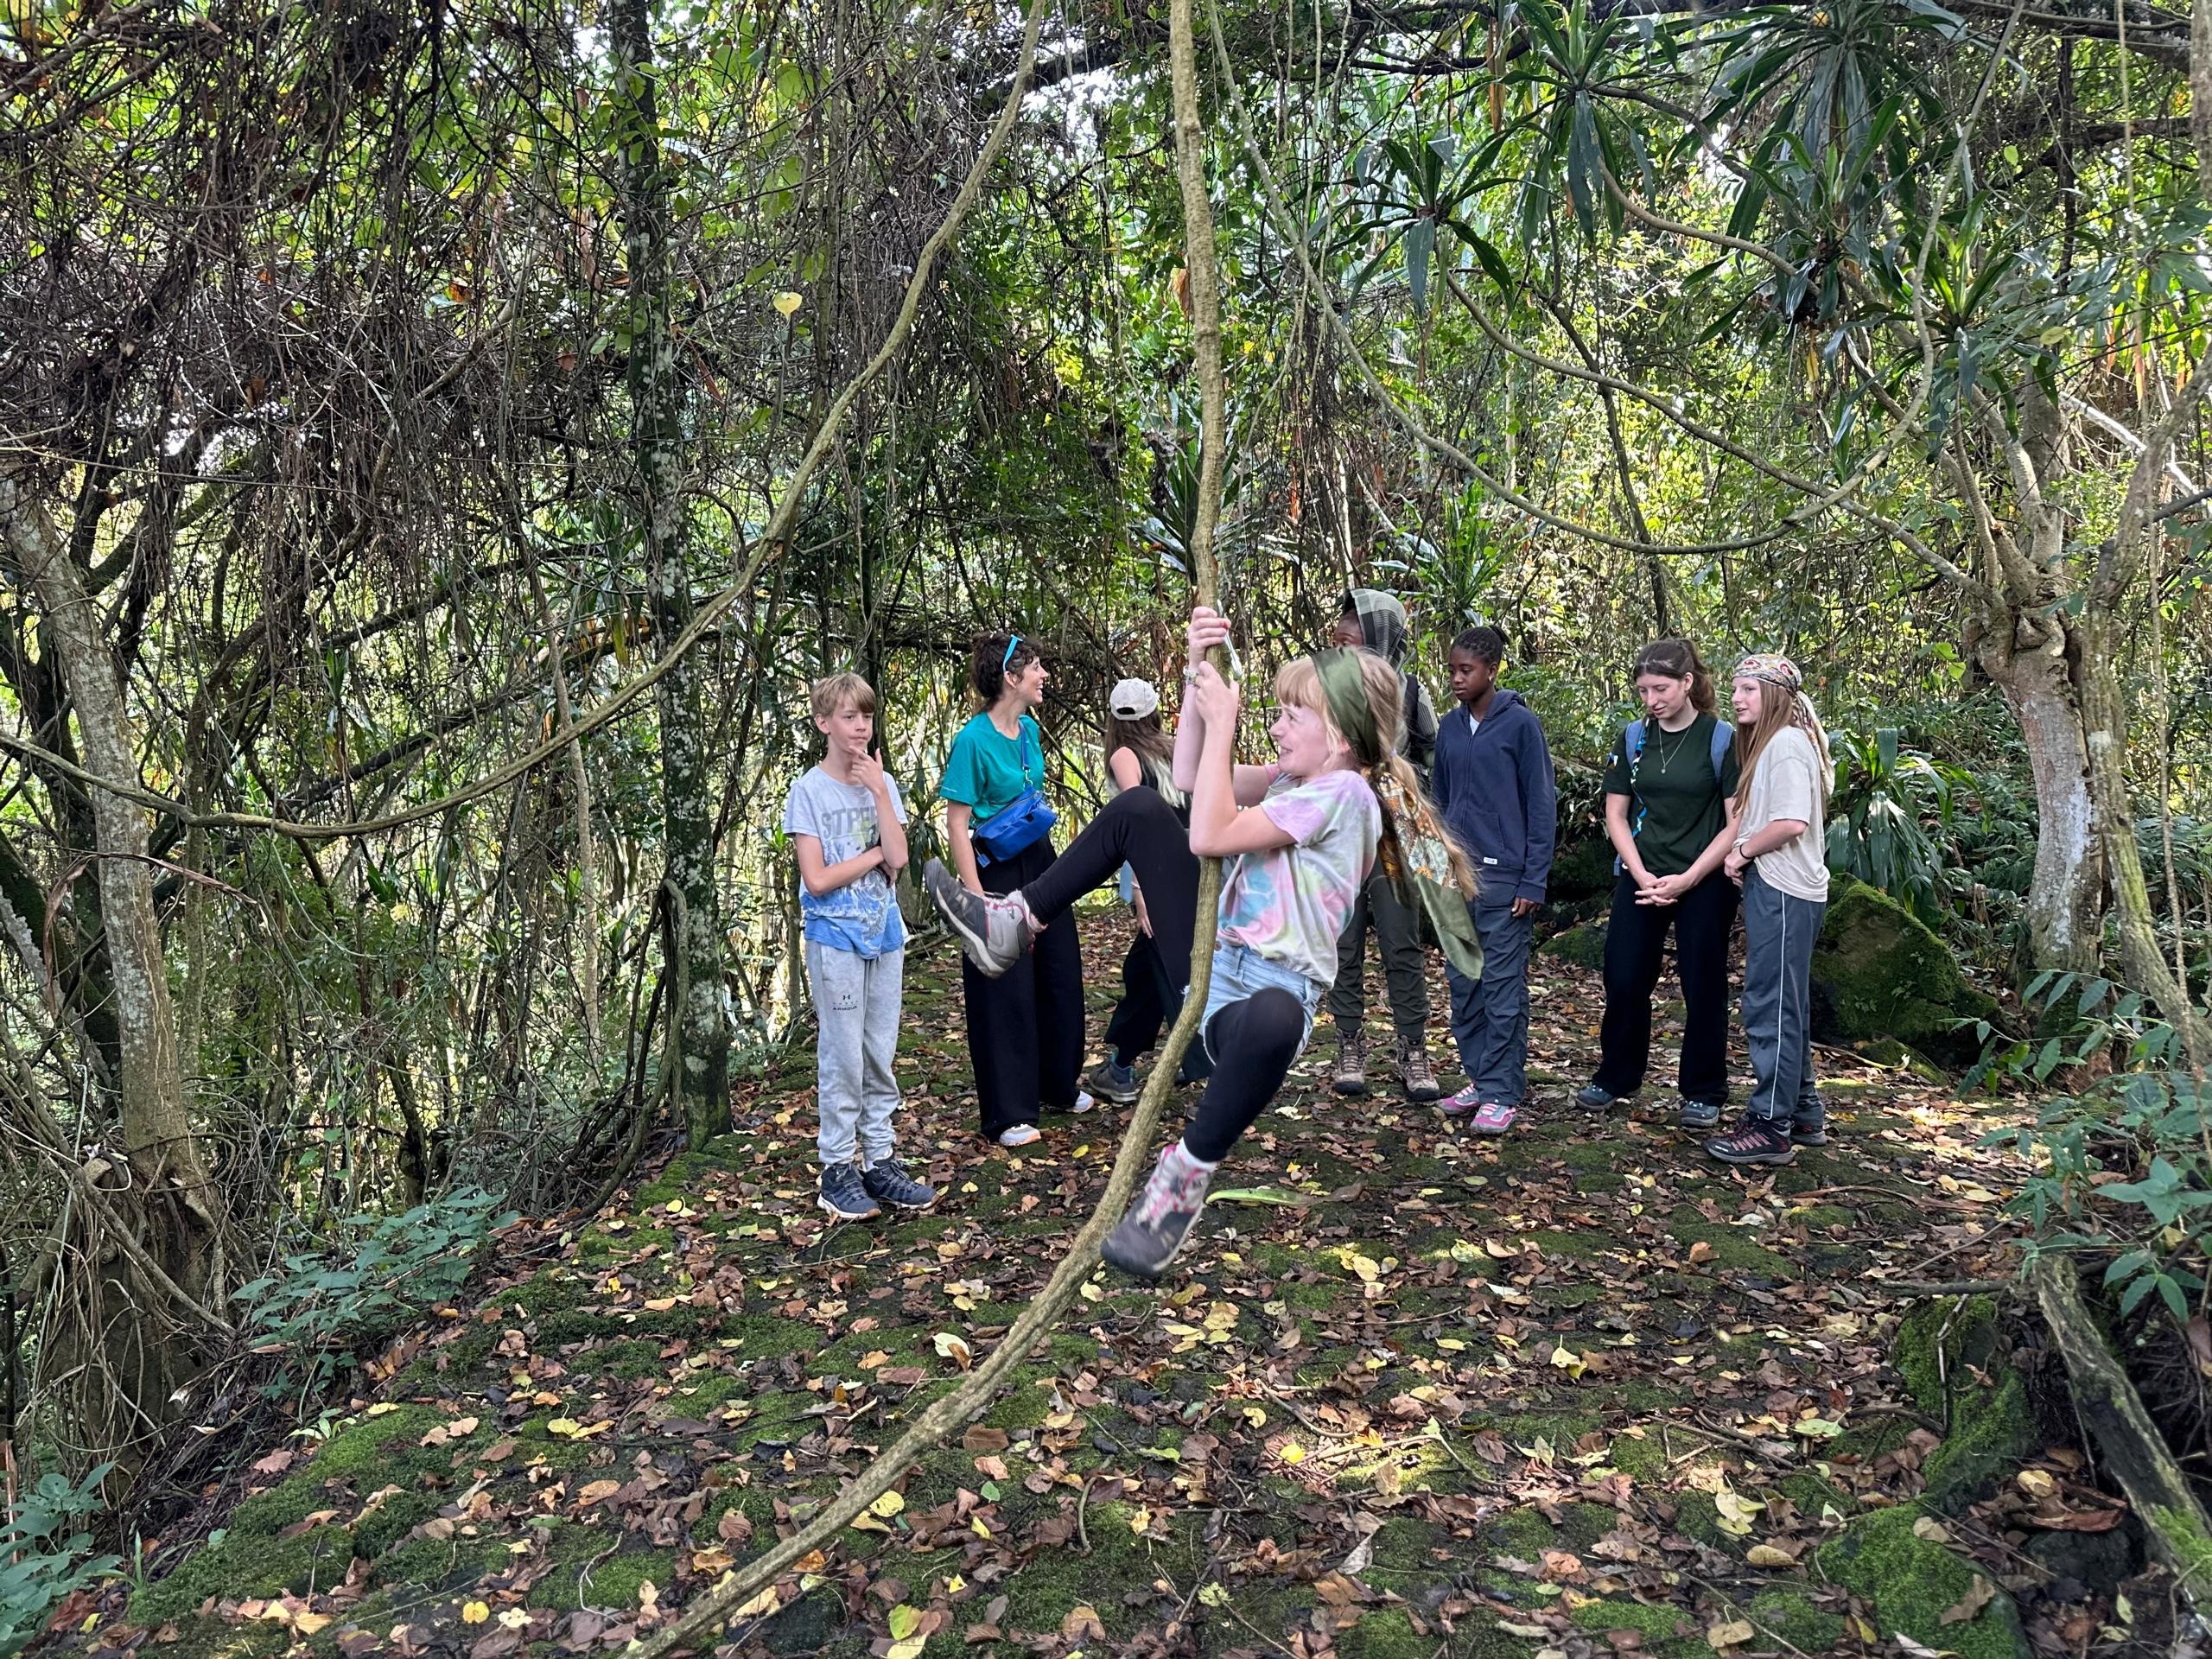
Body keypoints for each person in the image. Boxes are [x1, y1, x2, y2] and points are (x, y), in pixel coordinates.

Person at [923, 605, 1477, 1280]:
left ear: (1336, 734)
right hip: (1211, 965)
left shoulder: (1344, 796)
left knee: (1275, 1015)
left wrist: (1222, 726)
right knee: (1138, 810)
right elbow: (1186, 782)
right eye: (1272, 714)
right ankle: (1016, 921)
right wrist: (1194, 671)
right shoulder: (1295, 779)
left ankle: (1183, 1177)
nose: (1274, 727)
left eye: (1288, 717)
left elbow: (1210, 832)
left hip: (1266, 1000)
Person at [782, 672, 938, 1220]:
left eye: (866, 716)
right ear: (824, 724)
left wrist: (877, 792)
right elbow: (817, 879)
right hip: (835, 939)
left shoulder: (883, 783)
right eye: (849, 717)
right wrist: (872, 857)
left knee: (879, 1052)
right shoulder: (808, 792)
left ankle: (879, 1159)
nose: (860, 726)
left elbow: (899, 858)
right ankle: (837, 1170)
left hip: (885, 933)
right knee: (843, 1056)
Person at [1576, 639, 1743, 1128]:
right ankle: (1617, 1076)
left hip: (1705, 877)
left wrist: (1688, 878)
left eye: (1662, 688)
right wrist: (1641, 872)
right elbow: (1615, 812)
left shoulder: (1721, 739)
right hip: (1642, 874)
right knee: (1625, 976)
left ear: (1688, 683)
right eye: (1645, 690)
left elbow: (1737, 821)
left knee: (1703, 981)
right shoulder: (1633, 738)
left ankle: (1704, 1089)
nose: (1652, 699)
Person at [939, 633, 1090, 1147]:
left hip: (1040, 858)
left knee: (1059, 968)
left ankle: (1058, 1084)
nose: (1044, 673)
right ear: (1011, 677)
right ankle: (1008, 1112)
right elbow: (957, 824)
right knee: (1004, 984)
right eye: (1036, 666)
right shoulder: (972, 741)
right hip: (995, 869)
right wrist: (977, 897)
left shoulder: (1028, 729)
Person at [1707, 654, 1834, 1166]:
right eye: (1736, 689)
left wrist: (1740, 852)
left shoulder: (1783, 745)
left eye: (1748, 690)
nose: (1737, 698)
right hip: (1786, 888)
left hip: (1785, 890)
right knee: (1788, 1003)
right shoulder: (1783, 742)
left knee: (1770, 1004)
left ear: (1775, 695)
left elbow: (1790, 823)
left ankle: (1770, 1125)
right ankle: (1803, 1110)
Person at [1431, 626, 1557, 1135]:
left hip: (1506, 881)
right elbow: (1437, 804)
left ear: (1492, 670)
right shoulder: (1448, 727)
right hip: (1457, 879)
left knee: (1503, 989)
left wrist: (1533, 880)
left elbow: (1541, 805)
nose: (1458, 679)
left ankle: (1503, 1091)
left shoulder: (1521, 726)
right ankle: (1482, 1080)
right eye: (1453, 670)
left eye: (1468, 670)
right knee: (1464, 985)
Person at [1326, 588, 1444, 1102]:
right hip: (1336, 832)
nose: (1343, 627)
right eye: (1343, 617)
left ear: (1381, 629)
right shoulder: (1325, 685)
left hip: (1395, 834)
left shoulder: (1411, 691)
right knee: (1344, 942)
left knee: (1401, 941)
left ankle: (1412, 1049)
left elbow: (1437, 756)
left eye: (1356, 619)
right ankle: (1348, 1043)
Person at [1085, 678, 1211, 1104]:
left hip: (1157, 873)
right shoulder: (1173, 747)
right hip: (1191, 863)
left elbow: (1138, 816)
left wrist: (1141, 889)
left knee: (1159, 968)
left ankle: (1183, 1063)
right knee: (1150, 968)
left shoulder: (1125, 754)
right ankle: (1128, 1064)